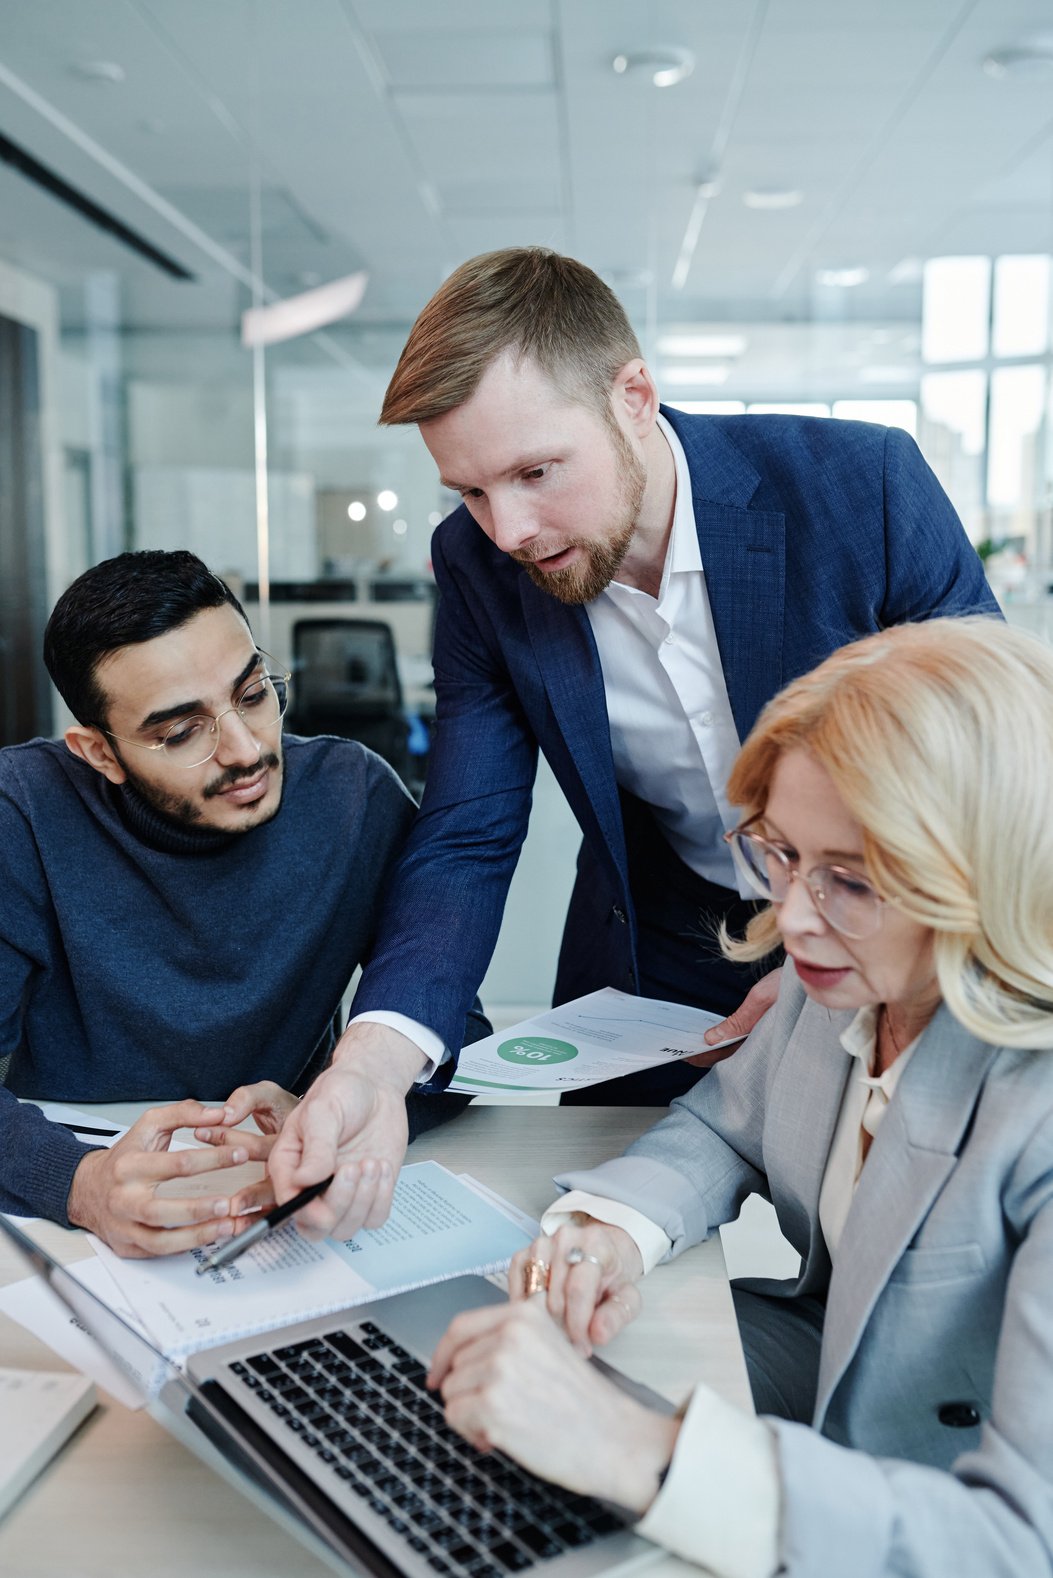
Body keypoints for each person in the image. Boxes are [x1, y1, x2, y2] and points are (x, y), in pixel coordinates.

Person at [269, 246, 998, 1241]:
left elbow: (992, 772)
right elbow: (470, 832)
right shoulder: (475, 566)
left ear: (636, 396)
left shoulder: (858, 489)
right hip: (660, 954)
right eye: (472, 491)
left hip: (881, 926)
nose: (510, 530)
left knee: (884, 1243)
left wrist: (824, 944)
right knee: (604, 1228)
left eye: (535, 472)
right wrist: (373, 1060)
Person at [429, 616, 1053, 1577]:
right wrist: (611, 1233)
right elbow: (725, 1125)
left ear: (989, 871)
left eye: (849, 878)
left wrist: (640, 1450)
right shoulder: (846, 971)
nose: (790, 917)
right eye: (780, 853)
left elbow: (1017, 1543)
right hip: (820, 1426)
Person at [0, 549, 475, 1257]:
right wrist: (78, 1184)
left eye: (253, 694)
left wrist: (345, 1102)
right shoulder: (22, 812)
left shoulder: (353, 797)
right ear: (98, 753)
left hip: (285, 1192)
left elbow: (447, 1033)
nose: (246, 750)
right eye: (182, 732)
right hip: (78, 1198)